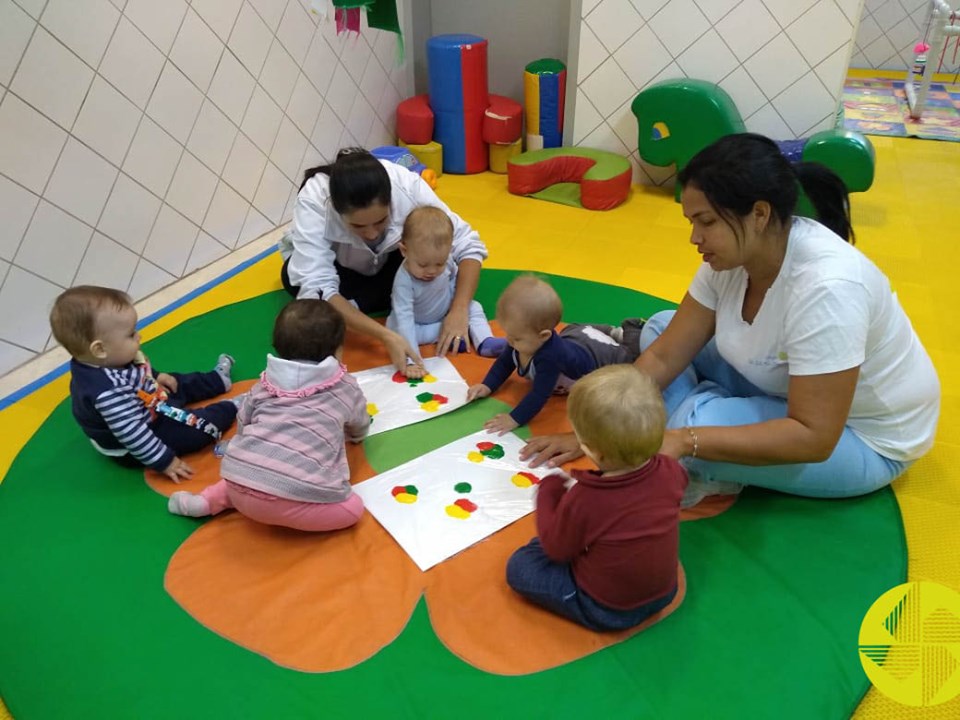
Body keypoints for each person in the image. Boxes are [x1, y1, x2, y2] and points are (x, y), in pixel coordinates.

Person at [520, 133, 941, 503]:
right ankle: (708, 419)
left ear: (758, 214)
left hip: (861, 437)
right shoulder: (734, 257)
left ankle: (706, 425)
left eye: (705, 222)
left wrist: (685, 441)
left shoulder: (828, 288)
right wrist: (595, 434)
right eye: (691, 222)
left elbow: (815, 435)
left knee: (690, 425)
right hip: (782, 385)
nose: (693, 238)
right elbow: (666, 354)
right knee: (661, 326)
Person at [506, 365, 687, 631]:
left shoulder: (587, 497)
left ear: (591, 451)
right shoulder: (672, 469)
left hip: (606, 608)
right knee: (588, 533)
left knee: (521, 566)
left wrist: (548, 493)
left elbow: (558, 550)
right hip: (665, 593)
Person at [279, 147, 489, 373]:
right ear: (339, 213)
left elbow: (467, 245)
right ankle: (374, 301)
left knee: (430, 260)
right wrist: (387, 336)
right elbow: (318, 287)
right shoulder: (315, 201)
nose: (371, 233)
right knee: (301, 291)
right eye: (358, 226)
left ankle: (369, 301)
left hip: (392, 261)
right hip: (344, 271)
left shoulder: (405, 185)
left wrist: (459, 310)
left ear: (391, 203)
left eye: (380, 221)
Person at [167, 299, 370, 532]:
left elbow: (245, 421)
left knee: (250, 477)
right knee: (353, 508)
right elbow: (360, 422)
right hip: (292, 499)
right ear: (338, 350)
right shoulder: (344, 386)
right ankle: (258, 503)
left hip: (240, 481)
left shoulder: (265, 383)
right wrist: (357, 435)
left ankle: (206, 502)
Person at [49, 286, 237, 483]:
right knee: (195, 428)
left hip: (147, 399)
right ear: (100, 349)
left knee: (177, 383)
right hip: (140, 436)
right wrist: (164, 461)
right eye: (131, 335)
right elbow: (134, 434)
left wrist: (156, 376)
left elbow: (139, 368)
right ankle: (232, 407)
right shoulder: (107, 393)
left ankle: (217, 381)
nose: (138, 336)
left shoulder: (111, 358)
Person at [466, 275, 639, 434]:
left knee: (629, 360)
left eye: (516, 338)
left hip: (599, 356)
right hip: (574, 337)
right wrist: (487, 386)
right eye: (508, 334)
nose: (509, 341)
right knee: (575, 331)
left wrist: (514, 418)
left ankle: (629, 330)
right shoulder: (519, 340)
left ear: (544, 336)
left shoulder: (550, 357)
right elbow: (504, 363)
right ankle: (602, 331)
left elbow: (539, 394)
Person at [386, 206, 507, 378]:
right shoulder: (404, 281)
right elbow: (404, 318)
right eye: (423, 265)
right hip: (417, 324)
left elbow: (453, 281)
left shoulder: (448, 261)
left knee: (474, 307)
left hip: (444, 313)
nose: (432, 271)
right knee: (397, 329)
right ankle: (453, 338)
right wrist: (413, 360)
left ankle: (485, 341)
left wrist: (456, 310)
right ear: (404, 251)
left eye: (439, 264)